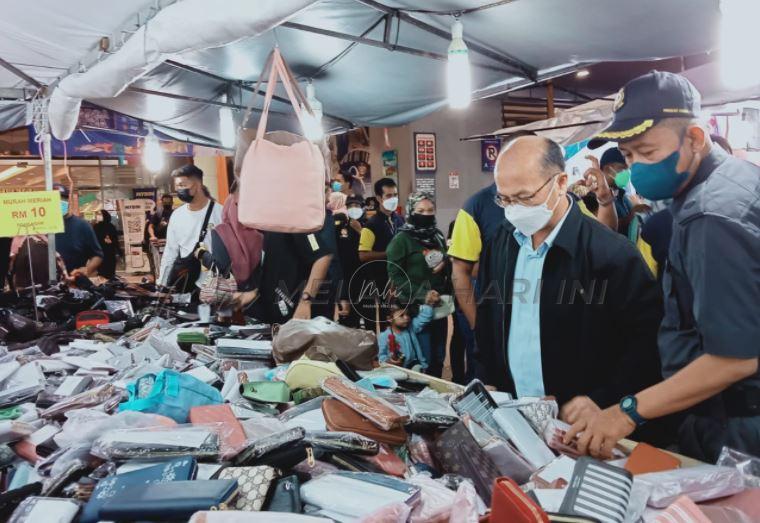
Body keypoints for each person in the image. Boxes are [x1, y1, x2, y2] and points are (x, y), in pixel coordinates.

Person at [566, 71, 760, 462]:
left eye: (647, 153)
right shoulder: (730, 181)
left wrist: (626, 413)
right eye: (630, 156)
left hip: (739, 426)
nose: (635, 169)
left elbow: (735, 357)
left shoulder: (710, 218)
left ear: (695, 139)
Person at [474, 135, 669, 444]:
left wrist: (607, 400)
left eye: (524, 197)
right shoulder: (501, 243)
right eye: (504, 199)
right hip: (513, 421)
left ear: (561, 181)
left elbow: (647, 346)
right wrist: (487, 381)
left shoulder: (610, 255)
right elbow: (487, 319)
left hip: (583, 428)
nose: (512, 210)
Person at [387, 192, 451, 378]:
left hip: (439, 307)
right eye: (420, 210)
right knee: (422, 358)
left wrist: (445, 262)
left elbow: (443, 260)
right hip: (414, 308)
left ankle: (438, 396)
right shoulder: (401, 240)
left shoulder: (437, 235)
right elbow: (396, 276)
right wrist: (422, 294)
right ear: (410, 211)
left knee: (439, 356)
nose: (426, 214)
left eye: (430, 210)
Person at [252, 205, 335, 324]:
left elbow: (322, 257)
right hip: (281, 317)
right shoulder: (269, 228)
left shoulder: (292, 220)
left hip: (304, 318)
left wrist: (306, 301)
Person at [158, 165, 222, 291]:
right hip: (187, 282)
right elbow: (170, 252)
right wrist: (162, 283)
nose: (178, 190)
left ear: (198, 184)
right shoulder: (177, 216)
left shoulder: (221, 213)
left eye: (182, 185)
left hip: (215, 286)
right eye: (177, 186)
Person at [356, 177, 404, 331]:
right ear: (378, 198)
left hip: (400, 277)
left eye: (395, 195)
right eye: (388, 196)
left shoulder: (400, 220)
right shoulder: (371, 225)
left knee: (401, 315)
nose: (393, 199)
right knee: (385, 316)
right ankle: (385, 350)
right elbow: (363, 255)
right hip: (380, 279)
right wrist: (389, 254)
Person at [378, 291, 440, 372]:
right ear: (389, 319)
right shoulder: (384, 336)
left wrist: (425, 304)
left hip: (413, 365)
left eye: (407, 314)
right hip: (396, 368)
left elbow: (427, 314)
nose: (407, 317)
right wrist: (390, 362)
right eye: (401, 315)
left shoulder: (411, 327)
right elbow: (381, 356)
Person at [53, 183, 103, 277]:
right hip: (45, 287)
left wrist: (87, 269)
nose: (59, 202)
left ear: (69, 200)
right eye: (54, 199)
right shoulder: (41, 227)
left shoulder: (82, 226)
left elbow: (97, 255)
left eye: (63, 198)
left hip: (75, 285)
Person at [333, 195, 364, 328]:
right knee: (345, 316)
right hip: (344, 274)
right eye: (350, 206)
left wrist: (360, 230)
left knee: (362, 311)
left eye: (357, 206)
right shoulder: (341, 225)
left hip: (363, 275)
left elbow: (375, 247)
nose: (354, 208)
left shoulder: (369, 224)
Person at [93, 210, 122, 279]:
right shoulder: (110, 226)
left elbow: (93, 240)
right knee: (109, 269)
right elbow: (115, 240)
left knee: (103, 270)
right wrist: (119, 250)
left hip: (102, 252)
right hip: (108, 251)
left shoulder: (96, 227)